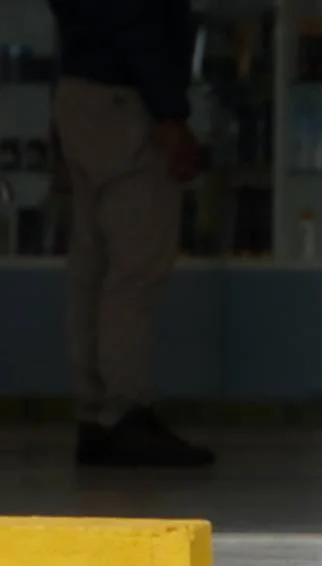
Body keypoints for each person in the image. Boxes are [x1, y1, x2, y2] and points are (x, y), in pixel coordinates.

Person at [47, 0, 214, 467]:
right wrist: (170, 115)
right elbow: (137, 21)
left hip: (80, 93)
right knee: (134, 269)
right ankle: (124, 412)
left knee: (93, 266)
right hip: (125, 104)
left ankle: (95, 411)